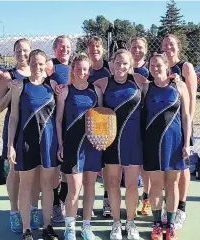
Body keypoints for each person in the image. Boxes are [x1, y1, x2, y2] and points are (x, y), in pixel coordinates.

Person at [94, 49, 147, 240]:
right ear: (112, 63)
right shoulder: (103, 83)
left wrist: (175, 79)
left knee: (132, 185)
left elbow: (160, 84)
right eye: (118, 63)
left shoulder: (139, 81)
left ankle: (130, 222)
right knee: (113, 183)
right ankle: (116, 222)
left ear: (130, 64)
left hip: (134, 142)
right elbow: (81, 85)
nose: (121, 67)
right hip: (111, 142)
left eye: (125, 63)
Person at [7, 49, 59, 240]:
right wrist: (10, 145)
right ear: (29, 64)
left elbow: (59, 118)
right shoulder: (20, 86)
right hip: (26, 143)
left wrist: (60, 144)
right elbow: (13, 117)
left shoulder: (53, 86)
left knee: (47, 186)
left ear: (46, 65)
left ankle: (47, 227)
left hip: (48, 143)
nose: (37, 67)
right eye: (34, 63)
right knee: (25, 186)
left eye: (41, 63)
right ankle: (26, 229)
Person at [0, 38, 42, 233]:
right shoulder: (8, 76)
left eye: (25, 51)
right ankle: (14, 212)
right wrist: (11, 92)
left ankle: (33, 209)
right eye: (18, 50)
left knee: (36, 172)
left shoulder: (38, 71)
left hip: (35, 130)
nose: (22, 54)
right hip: (15, 129)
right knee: (14, 174)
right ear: (14, 53)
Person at [143, 52, 191, 240]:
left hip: (175, 142)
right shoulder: (146, 87)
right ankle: (156, 224)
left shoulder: (179, 86)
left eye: (159, 65)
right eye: (152, 65)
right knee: (156, 185)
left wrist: (187, 143)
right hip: (152, 143)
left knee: (171, 184)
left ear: (167, 66)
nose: (155, 68)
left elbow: (186, 117)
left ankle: (170, 225)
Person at [56, 53, 103, 240]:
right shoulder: (65, 91)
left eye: (85, 69)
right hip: (73, 147)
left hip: (92, 147)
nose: (82, 72)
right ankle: (70, 228)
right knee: (74, 189)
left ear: (89, 70)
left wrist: (102, 141)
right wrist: (60, 144)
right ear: (72, 70)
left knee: (90, 186)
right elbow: (59, 119)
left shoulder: (96, 91)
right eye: (78, 68)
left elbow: (102, 118)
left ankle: (86, 227)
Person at [162, 34, 197, 230]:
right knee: (169, 169)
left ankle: (181, 208)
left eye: (171, 44)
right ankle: (170, 208)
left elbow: (191, 99)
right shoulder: (161, 68)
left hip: (183, 125)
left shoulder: (185, 67)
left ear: (178, 47)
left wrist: (187, 128)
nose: (168, 47)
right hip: (168, 128)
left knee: (183, 168)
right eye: (165, 44)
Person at [86, 36, 112, 217]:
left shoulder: (110, 68)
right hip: (88, 123)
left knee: (107, 167)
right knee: (89, 168)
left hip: (106, 122)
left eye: (97, 46)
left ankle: (107, 201)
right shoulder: (84, 68)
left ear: (102, 49)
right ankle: (88, 205)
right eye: (91, 47)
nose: (94, 49)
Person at [51, 35, 72, 223]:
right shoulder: (50, 66)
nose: (64, 49)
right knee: (53, 168)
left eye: (67, 46)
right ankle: (54, 204)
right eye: (61, 46)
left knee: (66, 167)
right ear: (54, 49)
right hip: (52, 122)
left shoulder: (75, 68)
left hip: (70, 124)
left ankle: (61, 201)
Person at [130, 36, 151, 216]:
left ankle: (146, 198)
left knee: (144, 166)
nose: (137, 50)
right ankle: (131, 200)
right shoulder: (123, 68)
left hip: (146, 122)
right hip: (128, 124)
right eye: (134, 47)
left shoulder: (149, 70)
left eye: (140, 47)